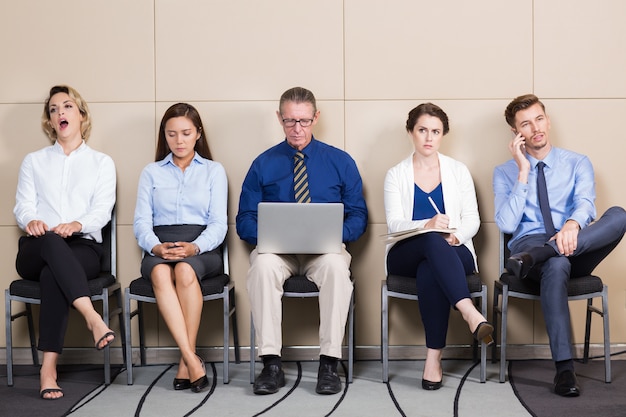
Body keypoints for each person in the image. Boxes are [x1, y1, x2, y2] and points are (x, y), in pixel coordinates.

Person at [236, 87, 368, 395]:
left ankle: (329, 364)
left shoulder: (340, 162)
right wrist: (270, 236)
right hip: (278, 252)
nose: (297, 129)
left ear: (316, 118)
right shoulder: (263, 164)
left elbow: (359, 216)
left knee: (337, 268)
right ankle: (270, 364)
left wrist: (332, 236)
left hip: (323, 252)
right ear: (279, 119)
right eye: (290, 121)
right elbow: (244, 220)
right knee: (263, 267)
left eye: (304, 121)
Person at [493, 94, 626, 397]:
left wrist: (572, 225)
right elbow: (507, 224)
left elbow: (585, 204)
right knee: (556, 263)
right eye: (526, 124)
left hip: (574, 243)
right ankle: (565, 371)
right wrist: (523, 172)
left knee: (619, 215)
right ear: (517, 134)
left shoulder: (577, 162)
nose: (536, 128)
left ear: (548, 121)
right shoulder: (504, 172)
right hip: (529, 244)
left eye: (539, 119)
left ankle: (544, 252)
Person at [13, 85, 117, 400]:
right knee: (49, 244)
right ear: (50, 121)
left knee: (52, 274)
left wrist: (77, 223)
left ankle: (48, 370)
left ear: (82, 116)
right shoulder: (34, 161)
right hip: (36, 247)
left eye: (68, 106)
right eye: (54, 109)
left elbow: (102, 210)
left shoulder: (102, 163)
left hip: (82, 248)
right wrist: (30, 219)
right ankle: (92, 318)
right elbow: (22, 205)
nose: (60, 113)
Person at [384, 103, 493, 391]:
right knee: (431, 240)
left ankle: (433, 359)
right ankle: (469, 311)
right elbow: (395, 224)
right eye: (422, 130)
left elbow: (472, 219)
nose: (428, 138)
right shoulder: (395, 174)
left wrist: (455, 238)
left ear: (443, 134)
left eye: (435, 131)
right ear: (410, 132)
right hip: (405, 253)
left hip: (455, 251)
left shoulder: (458, 171)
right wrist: (427, 225)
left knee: (430, 266)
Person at [133, 103, 227, 393]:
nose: (179, 141)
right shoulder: (151, 172)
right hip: (159, 246)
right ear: (165, 136)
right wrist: (156, 248)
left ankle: (186, 362)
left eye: (186, 133)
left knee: (185, 271)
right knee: (161, 275)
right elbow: (140, 223)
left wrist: (195, 248)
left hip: (202, 249)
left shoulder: (213, 171)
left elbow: (219, 224)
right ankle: (190, 359)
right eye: (172, 134)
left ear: (198, 133)